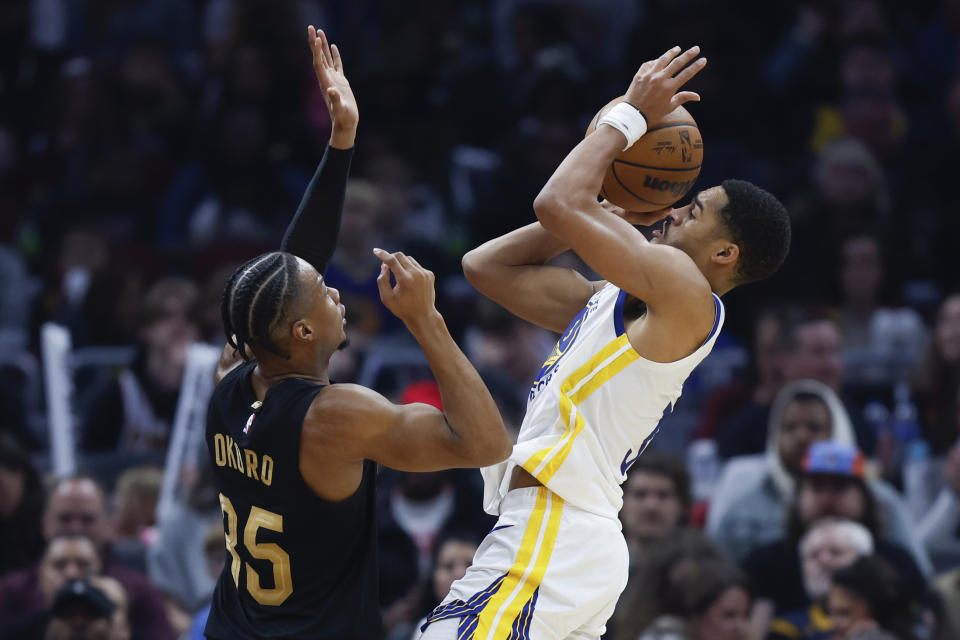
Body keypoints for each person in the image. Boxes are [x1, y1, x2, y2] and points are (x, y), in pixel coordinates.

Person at [421, 46, 792, 640]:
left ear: (725, 254)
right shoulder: (612, 298)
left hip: (556, 528)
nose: (671, 212)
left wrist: (628, 121)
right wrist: (594, 210)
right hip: (566, 537)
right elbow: (484, 267)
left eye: (693, 212)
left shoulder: (690, 295)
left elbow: (554, 200)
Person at [203, 27, 511, 640]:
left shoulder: (232, 378)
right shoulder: (336, 416)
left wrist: (341, 142)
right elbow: (482, 444)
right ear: (299, 329)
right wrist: (426, 320)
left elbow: (281, 280)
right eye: (326, 294)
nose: (339, 293)